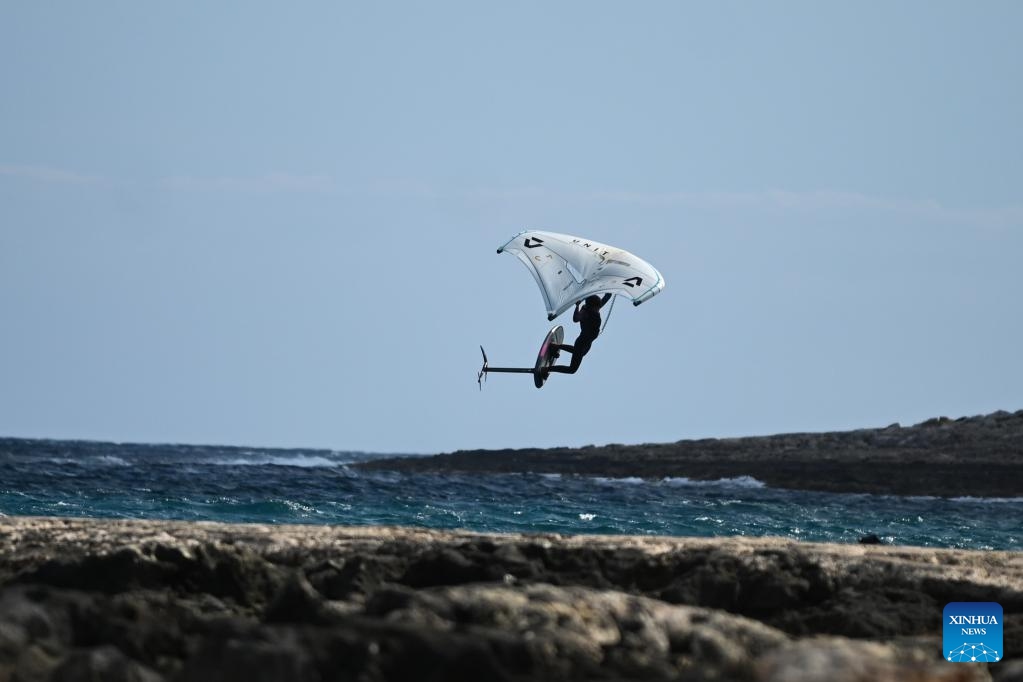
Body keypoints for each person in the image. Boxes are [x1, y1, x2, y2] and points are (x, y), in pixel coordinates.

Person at [547, 293, 612, 375]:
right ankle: (546, 369)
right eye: (597, 308)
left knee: (582, 353)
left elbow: (607, 297)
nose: (599, 309)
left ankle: (555, 346)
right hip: (582, 342)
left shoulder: (595, 307)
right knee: (572, 369)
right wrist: (577, 306)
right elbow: (575, 319)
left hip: (587, 342)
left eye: (599, 307)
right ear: (592, 307)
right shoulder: (586, 312)